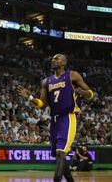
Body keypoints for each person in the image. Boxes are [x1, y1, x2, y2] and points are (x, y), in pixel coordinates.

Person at [17, 54, 94, 182]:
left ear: (64, 62)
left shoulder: (72, 75)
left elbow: (90, 94)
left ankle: (56, 179)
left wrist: (83, 92)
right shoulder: (46, 81)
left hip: (68, 117)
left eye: (57, 58)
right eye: (53, 59)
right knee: (59, 156)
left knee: (61, 153)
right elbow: (42, 104)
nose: (53, 60)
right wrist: (30, 97)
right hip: (54, 121)